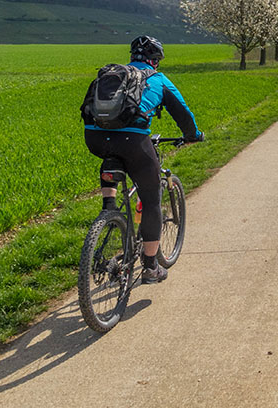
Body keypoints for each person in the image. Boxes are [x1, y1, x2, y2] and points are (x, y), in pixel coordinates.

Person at [83, 35, 203, 284]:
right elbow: (182, 112)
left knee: (111, 153)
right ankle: (150, 267)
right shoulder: (157, 78)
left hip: (94, 139)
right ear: (156, 60)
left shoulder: (112, 75)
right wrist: (193, 135)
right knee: (151, 201)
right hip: (133, 142)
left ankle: (108, 210)